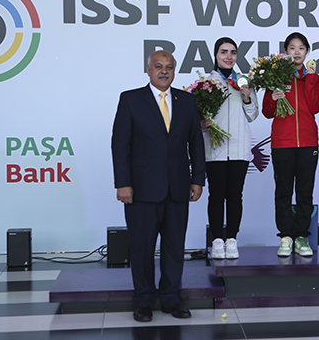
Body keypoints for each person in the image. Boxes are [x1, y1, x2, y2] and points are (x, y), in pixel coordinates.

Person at [111, 50, 206, 322]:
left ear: (174, 71)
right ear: (148, 69)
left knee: (175, 248)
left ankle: (171, 299)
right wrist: (123, 184)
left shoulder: (186, 101)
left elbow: (196, 144)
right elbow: (120, 145)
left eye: (169, 67)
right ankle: (143, 301)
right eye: (158, 66)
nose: (164, 71)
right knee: (142, 249)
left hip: (178, 188)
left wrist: (197, 179)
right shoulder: (130, 100)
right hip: (141, 190)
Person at [262, 32, 319, 257]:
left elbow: (316, 107)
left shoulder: (312, 77)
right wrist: (273, 98)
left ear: (307, 52)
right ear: (285, 52)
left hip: (308, 142)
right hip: (282, 143)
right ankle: (286, 236)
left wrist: (311, 79)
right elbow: (267, 112)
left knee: (305, 192)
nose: (296, 52)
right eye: (292, 48)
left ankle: (302, 236)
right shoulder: (276, 76)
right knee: (284, 191)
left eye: (301, 48)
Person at [204, 37, 259, 260]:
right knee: (216, 195)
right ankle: (217, 240)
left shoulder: (244, 82)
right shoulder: (206, 83)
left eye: (233, 52)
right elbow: (197, 116)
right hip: (215, 147)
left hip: (239, 147)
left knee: (235, 196)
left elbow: (253, 115)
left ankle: (232, 240)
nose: (229, 56)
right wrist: (201, 122)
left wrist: (246, 98)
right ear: (216, 55)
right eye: (224, 52)